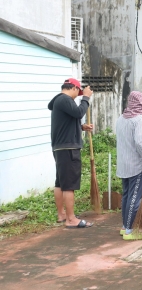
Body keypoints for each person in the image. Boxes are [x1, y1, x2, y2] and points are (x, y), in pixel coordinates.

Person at [48, 78, 94, 228]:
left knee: (60, 182)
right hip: (68, 148)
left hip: (61, 147)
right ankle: (71, 219)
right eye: (78, 92)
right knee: (69, 185)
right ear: (74, 88)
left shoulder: (59, 102)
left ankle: (62, 214)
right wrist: (86, 97)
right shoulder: (65, 99)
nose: (77, 96)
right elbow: (79, 112)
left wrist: (81, 127)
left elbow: (66, 123)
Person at [116, 91, 142, 240]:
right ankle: (130, 230)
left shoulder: (121, 118)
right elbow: (140, 143)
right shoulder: (138, 119)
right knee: (134, 198)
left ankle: (125, 226)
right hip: (136, 164)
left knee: (126, 195)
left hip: (123, 164)